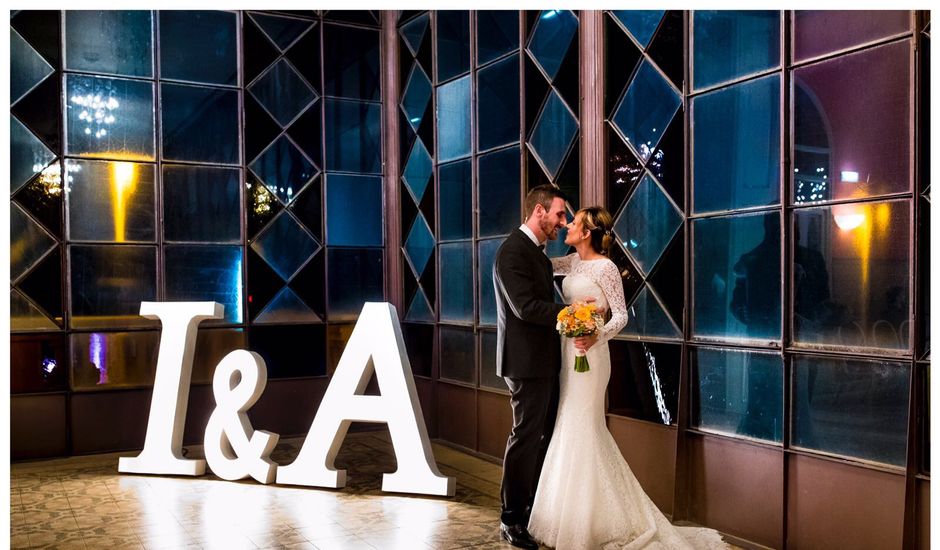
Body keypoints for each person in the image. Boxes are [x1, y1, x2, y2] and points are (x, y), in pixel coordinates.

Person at [527, 206, 729, 549]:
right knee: (567, 422)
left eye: (572, 223)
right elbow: (540, 263)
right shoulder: (572, 262)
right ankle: (569, 515)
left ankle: (594, 521)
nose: (567, 227)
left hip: (592, 354)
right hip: (568, 353)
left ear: (588, 232)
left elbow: (621, 315)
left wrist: (596, 333)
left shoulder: (606, 268)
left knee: (583, 424)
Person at [494, 184, 572, 549]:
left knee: (542, 438)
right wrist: (572, 312)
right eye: (559, 214)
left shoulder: (538, 255)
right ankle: (512, 519)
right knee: (525, 438)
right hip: (525, 364)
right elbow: (525, 308)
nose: (563, 222)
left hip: (545, 361)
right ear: (539, 211)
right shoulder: (512, 251)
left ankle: (533, 510)